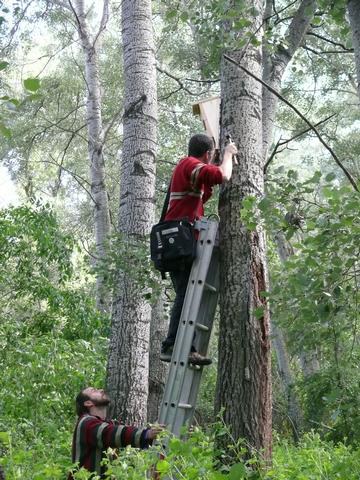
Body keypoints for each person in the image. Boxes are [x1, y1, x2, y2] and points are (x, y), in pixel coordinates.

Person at [160, 133, 238, 365]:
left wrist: (215, 161)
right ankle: (171, 345)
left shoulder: (189, 168)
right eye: (211, 155)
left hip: (178, 243)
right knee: (185, 295)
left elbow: (202, 193)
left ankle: (188, 347)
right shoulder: (190, 164)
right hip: (179, 244)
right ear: (207, 154)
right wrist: (228, 154)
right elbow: (223, 175)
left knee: (187, 295)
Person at [68, 387, 162, 479]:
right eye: (94, 390)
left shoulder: (107, 424)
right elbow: (111, 433)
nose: (101, 390)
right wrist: (146, 434)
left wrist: (151, 434)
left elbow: (125, 432)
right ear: (88, 403)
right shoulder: (86, 422)